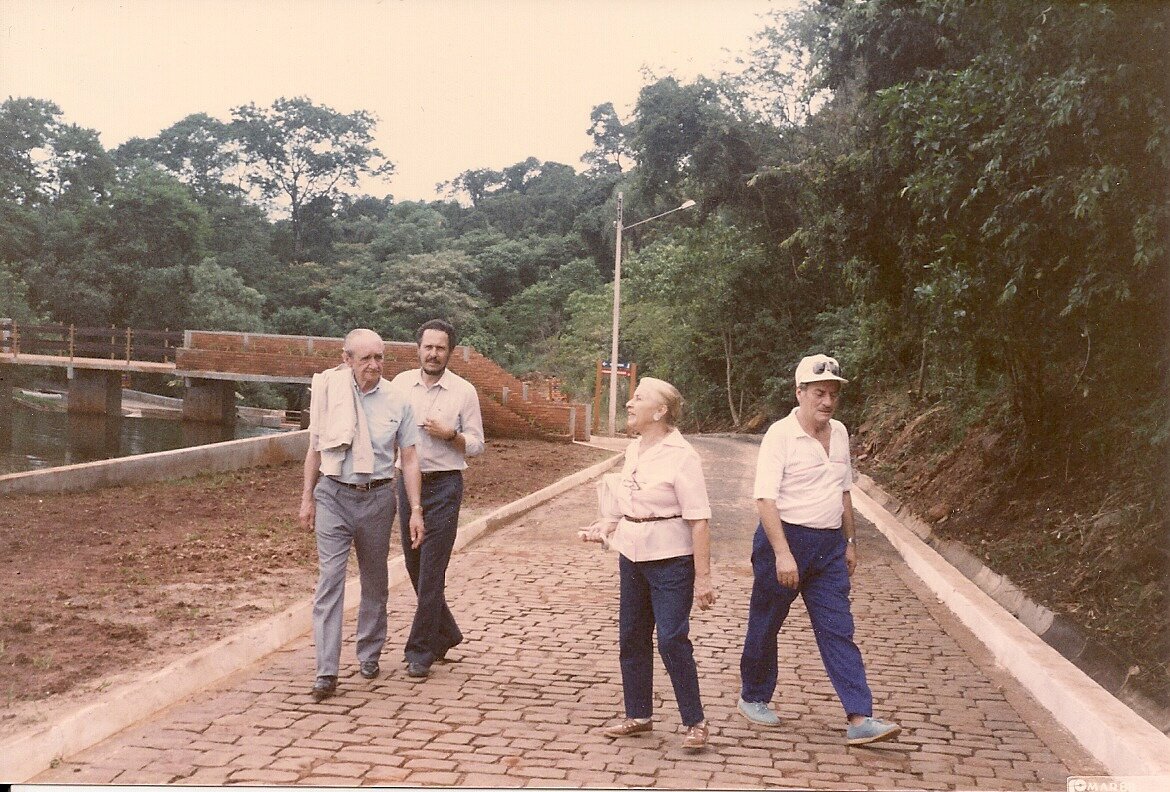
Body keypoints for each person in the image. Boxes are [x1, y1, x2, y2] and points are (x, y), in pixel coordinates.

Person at [737, 354, 901, 745]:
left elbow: (843, 491)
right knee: (766, 623)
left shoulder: (841, 433)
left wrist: (849, 542)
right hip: (785, 540)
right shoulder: (780, 434)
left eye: (832, 394)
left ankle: (860, 718)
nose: (826, 401)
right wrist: (781, 553)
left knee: (837, 628)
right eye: (818, 393)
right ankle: (753, 695)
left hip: (828, 547)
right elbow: (765, 500)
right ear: (800, 393)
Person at [581, 377, 715, 751]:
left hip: (672, 560)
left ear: (660, 411)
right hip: (633, 556)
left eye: (638, 398)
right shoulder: (635, 449)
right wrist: (607, 526)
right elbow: (632, 506)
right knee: (631, 636)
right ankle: (638, 715)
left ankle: (695, 722)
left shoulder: (682, 455)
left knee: (672, 638)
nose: (629, 403)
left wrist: (703, 577)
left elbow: (699, 519)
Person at [299, 328, 424, 702]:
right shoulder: (329, 394)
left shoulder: (398, 402)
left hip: (377, 498)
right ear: (346, 359)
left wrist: (416, 509)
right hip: (334, 495)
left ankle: (369, 652)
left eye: (379, 358)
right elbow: (315, 448)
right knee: (330, 580)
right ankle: (326, 671)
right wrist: (307, 498)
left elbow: (410, 458)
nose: (373, 365)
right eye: (365, 358)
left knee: (375, 580)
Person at [389, 319, 484, 679]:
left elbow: (477, 445)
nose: (433, 354)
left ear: (450, 352)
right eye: (428, 347)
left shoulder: (464, 392)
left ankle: (420, 650)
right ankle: (446, 632)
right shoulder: (399, 386)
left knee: (432, 571)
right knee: (414, 567)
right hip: (407, 484)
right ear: (418, 349)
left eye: (440, 348)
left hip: (445, 486)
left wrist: (452, 435)